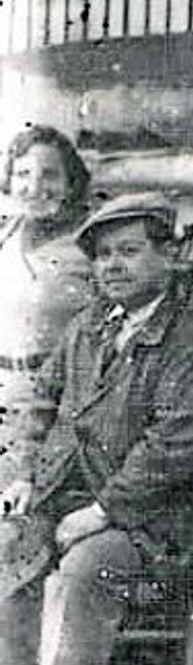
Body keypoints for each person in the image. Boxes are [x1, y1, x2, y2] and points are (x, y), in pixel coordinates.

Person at [0, 192, 193, 665]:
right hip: (67, 500)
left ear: (169, 255)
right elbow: (38, 403)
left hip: (152, 527)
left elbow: (171, 448)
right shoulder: (89, 326)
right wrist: (22, 472)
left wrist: (101, 513)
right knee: (4, 549)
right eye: (102, 256)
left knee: (81, 571)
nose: (111, 267)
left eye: (128, 252)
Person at [0, 125, 95, 488]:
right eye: (23, 173)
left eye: (50, 174)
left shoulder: (89, 244)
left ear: (71, 182)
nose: (35, 186)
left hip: (56, 403)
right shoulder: (5, 236)